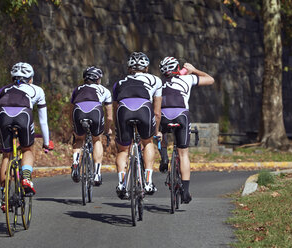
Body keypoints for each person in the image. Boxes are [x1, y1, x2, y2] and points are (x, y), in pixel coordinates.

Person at [0, 62, 54, 212]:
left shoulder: (2, 91)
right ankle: (26, 178)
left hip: (3, 117)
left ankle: (4, 198)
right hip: (23, 116)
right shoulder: (37, 91)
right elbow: (43, 121)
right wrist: (46, 143)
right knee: (28, 149)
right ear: (31, 78)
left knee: (6, 156)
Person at [158, 57, 214, 203]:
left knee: (160, 132)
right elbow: (210, 79)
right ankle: (186, 192)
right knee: (183, 154)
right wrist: (193, 70)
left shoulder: (158, 82)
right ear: (177, 68)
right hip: (182, 115)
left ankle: (163, 157)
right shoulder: (187, 79)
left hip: (163, 115)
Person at [113, 52, 162, 198]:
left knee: (123, 150)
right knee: (147, 143)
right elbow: (157, 112)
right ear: (146, 67)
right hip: (144, 110)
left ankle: (122, 184)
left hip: (123, 111)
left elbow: (115, 109)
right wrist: (156, 131)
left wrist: (116, 128)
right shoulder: (156, 80)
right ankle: (148, 182)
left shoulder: (119, 84)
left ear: (129, 68)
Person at [70, 66, 113, 186]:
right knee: (97, 140)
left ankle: (75, 162)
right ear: (98, 79)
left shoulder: (77, 89)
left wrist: (72, 125)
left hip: (78, 112)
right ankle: (97, 173)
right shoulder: (104, 90)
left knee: (79, 139)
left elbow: (71, 109)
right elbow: (109, 116)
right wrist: (107, 129)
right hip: (96, 112)